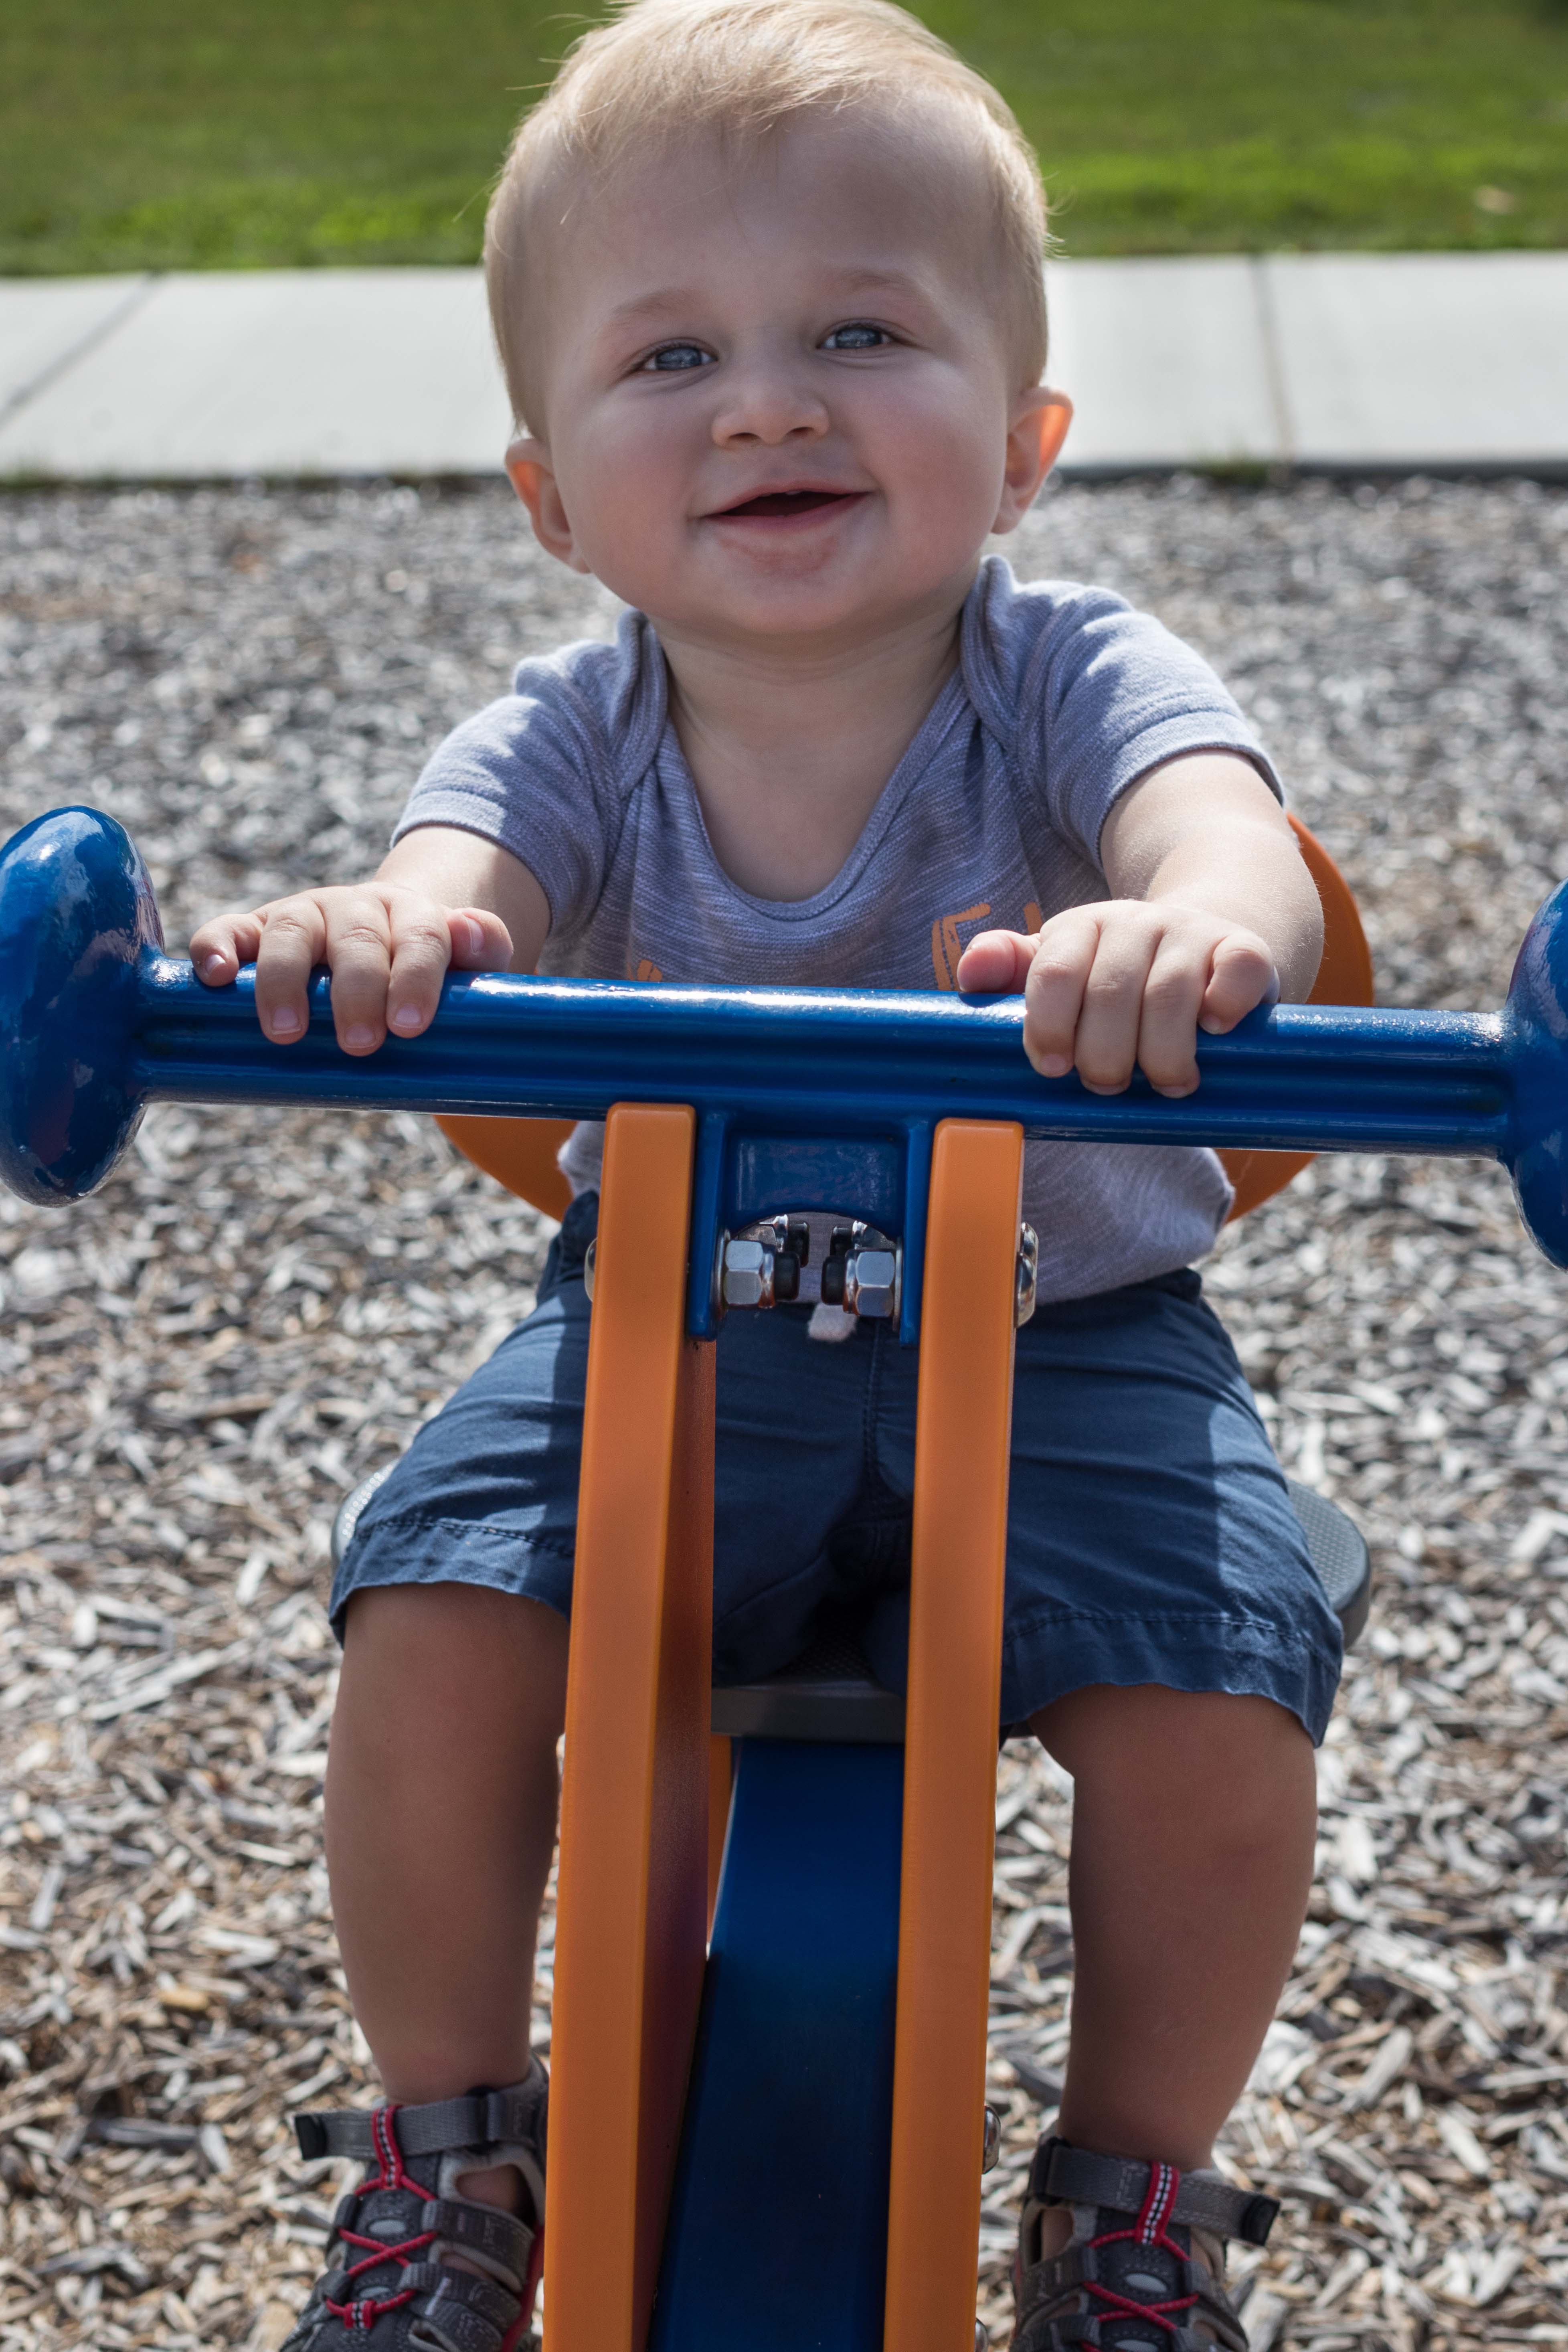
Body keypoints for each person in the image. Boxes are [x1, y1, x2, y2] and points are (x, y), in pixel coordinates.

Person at [192, 3, 1337, 2344]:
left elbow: (1237, 846)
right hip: (666, 1328)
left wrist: (1195, 926)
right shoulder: (567, 731)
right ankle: (440, 2160)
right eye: (673, 354)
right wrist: (389, 939)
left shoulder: (1069, 678)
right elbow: (458, 889)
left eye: (857, 332)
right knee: (428, 1626)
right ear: (550, 495)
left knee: (1216, 1708)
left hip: (1073, 1337)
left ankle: (1131, 2198)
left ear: (1021, 446)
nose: (768, 401)